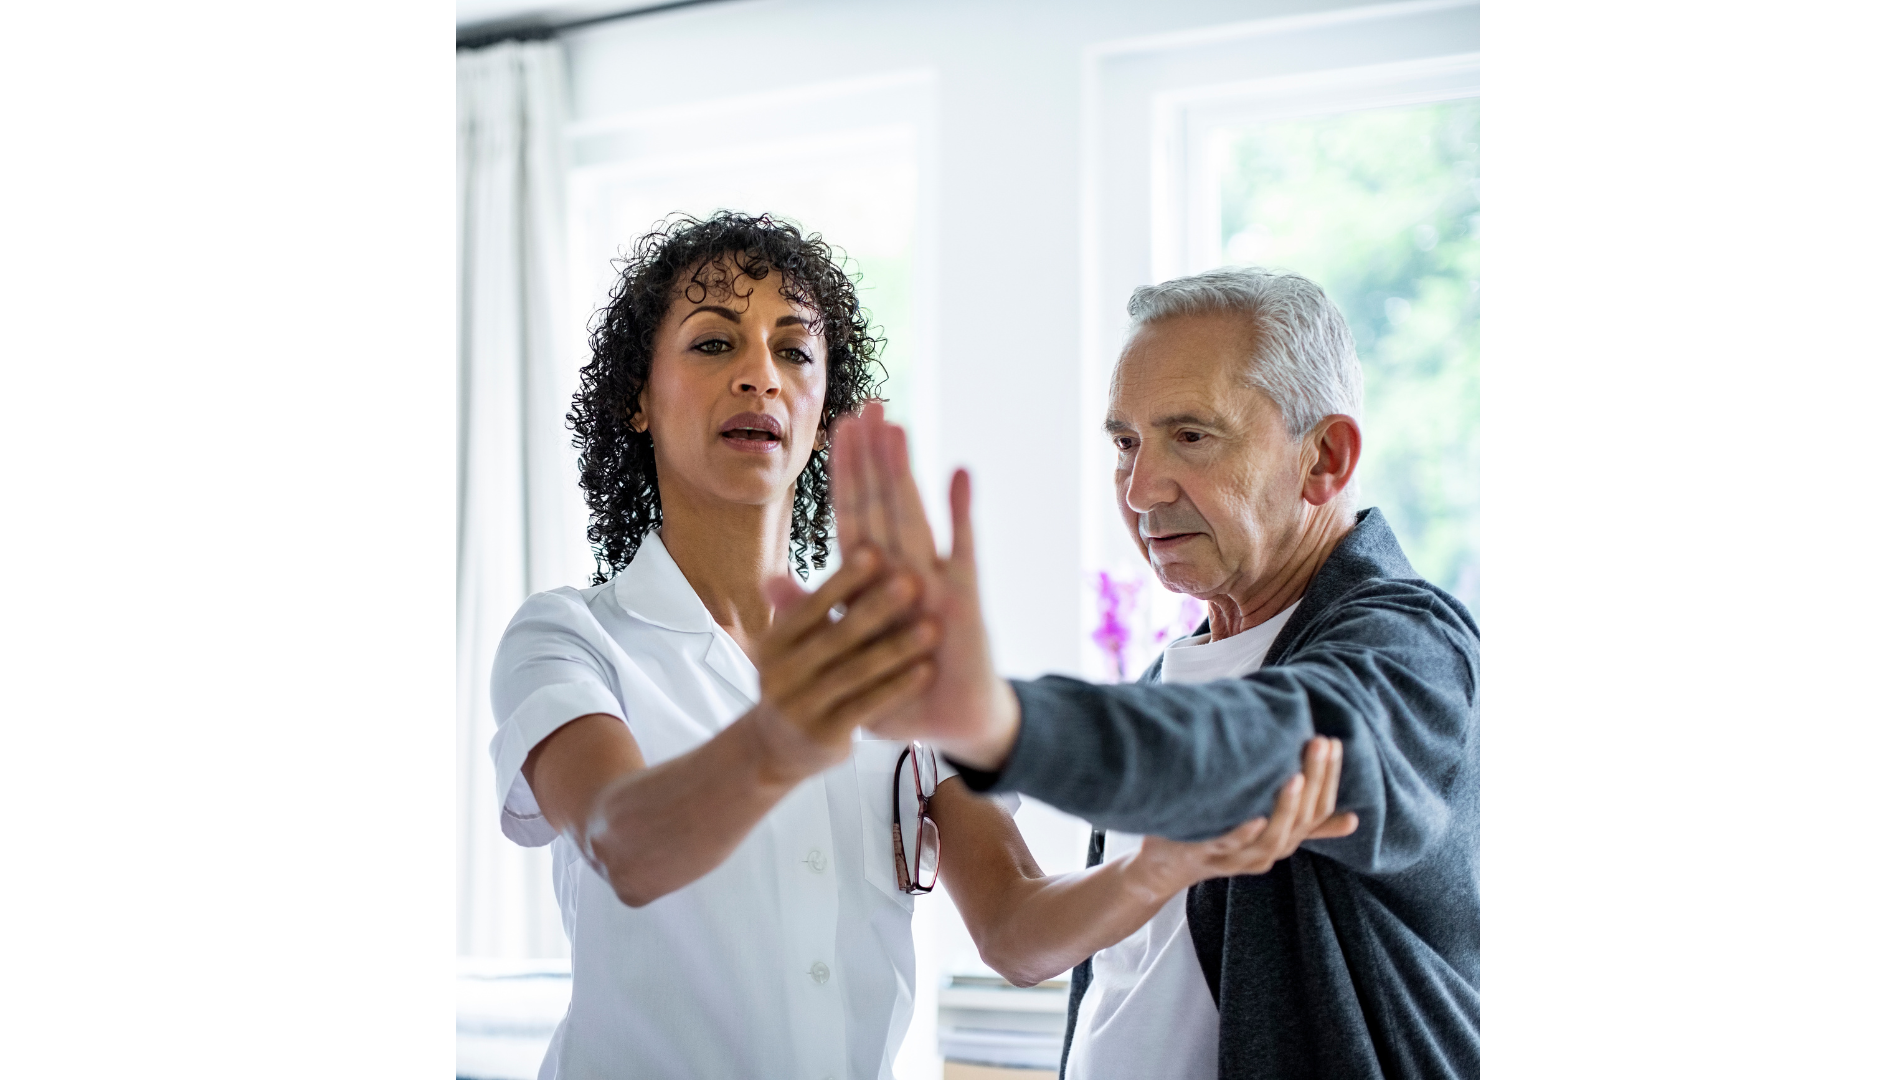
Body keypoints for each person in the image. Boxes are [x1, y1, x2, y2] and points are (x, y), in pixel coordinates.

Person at [487, 213, 1350, 1080]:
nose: (760, 376)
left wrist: (1163, 867)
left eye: (794, 352)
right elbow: (623, 844)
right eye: (715, 345)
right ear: (636, 396)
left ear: (826, 409)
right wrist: (781, 742)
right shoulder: (569, 638)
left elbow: (1015, 930)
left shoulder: (897, 660)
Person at [838, 266, 1481, 1080]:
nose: (1141, 490)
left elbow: (1263, 741)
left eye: (1192, 437)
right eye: (1125, 444)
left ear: (1324, 457)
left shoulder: (1411, 648)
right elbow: (1057, 955)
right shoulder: (1167, 677)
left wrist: (1002, 723)